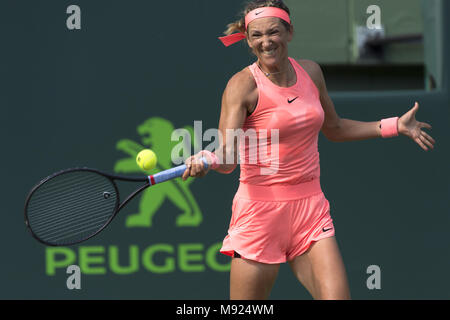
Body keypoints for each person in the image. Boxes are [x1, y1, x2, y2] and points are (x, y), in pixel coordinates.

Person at [182, 0, 435, 300]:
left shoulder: (311, 73)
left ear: (289, 32)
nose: (266, 42)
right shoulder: (241, 86)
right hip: (259, 214)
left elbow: (335, 128)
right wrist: (207, 159)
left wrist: (394, 125)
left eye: (273, 32)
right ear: (248, 41)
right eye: (257, 36)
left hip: (311, 210)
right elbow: (227, 159)